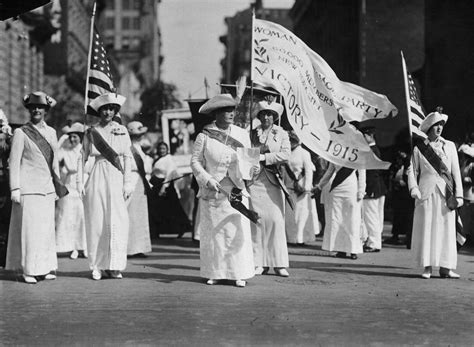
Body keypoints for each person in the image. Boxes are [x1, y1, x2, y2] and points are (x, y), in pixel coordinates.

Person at [191, 93, 257, 287]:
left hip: (236, 189)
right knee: (215, 234)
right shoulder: (204, 135)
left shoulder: (242, 133)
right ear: (216, 113)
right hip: (213, 190)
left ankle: (238, 273)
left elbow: (250, 162)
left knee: (236, 232)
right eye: (226, 110)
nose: (230, 114)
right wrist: (207, 179)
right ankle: (215, 272)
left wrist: (253, 169)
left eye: (232, 110)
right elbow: (195, 161)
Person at [5, 91, 65, 284]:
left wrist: (56, 186)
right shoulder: (21, 133)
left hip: (47, 189)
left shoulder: (52, 132)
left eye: (40, 107)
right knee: (30, 231)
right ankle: (29, 270)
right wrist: (15, 188)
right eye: (33, 107)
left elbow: (54, 162)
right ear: (29, 110)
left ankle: (44, 267)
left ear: (46, 110)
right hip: (28, 188)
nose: (36, 110)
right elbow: (14, 162)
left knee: (46, 230)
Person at [79, 92, 133, 280]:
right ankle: (97, 265)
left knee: (118, 222)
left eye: (111, 109)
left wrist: (127, 183)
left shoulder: (122, 130)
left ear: (115, 111)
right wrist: (80, 182)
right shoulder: (91, 131)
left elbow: (127, 157)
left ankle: (114, 265)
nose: (108, 112)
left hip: (116, 176)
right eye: (104, 109)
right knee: (97, 220)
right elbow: (82, 158)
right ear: (99, 111)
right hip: (98, 174)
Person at [407, 108, 463, 279]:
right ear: (429, 128)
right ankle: (427, 267)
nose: (439, 128)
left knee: (445, 230)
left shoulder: (450, 146)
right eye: (436, 125)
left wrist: (459, 195)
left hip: (447, 193)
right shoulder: (419, 148)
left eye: (441, 125)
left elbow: (456, 172)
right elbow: (411, 170)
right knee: (428, 229)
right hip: (426, 193)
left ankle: (446, 267)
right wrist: (413, 188)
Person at [249, 100, 291, 277]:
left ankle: (279, 263)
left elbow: (286, 154)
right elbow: (245, 153)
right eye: (263, 114)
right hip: (255, 181)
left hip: (273, 180)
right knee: (257, 221)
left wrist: (265, 157)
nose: (266, 117)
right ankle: (259, 262)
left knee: (275, 220)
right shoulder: (252, 133)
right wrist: (252, 162)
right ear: (259, 116)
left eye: (270, 114)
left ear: (274, 117)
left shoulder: (281, 133)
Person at [318, 163, 366, 260]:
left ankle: (354, 250)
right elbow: (329, 172)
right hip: (336, 189)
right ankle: (340, 249)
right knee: (337, 219)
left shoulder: (358, 152)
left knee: (352, 220)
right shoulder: (337, 151)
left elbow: (362, 174)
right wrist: (320, 185)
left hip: (351, 189)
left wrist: (361, 191)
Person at [55, 122, 87, 259]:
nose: (72, 140)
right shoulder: (65, 152)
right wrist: (63, 138)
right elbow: (55, 156)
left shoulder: (86, 151)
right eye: (70, 137)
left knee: (82, 216)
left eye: (75, 137)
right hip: (69, 185)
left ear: (80, 137)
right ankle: (71, 247)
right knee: (68, 215)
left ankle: (83, 246)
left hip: (82, 183)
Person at [283, 130, 319, 245]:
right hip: (289, 186)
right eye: (290, 140)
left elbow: (309, 170)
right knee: (290, 214)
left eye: (293, 140)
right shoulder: (286, 152)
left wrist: (307, 187)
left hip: (302, 187)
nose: (291, 142)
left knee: (301, 214)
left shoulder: (304, 153)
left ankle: (300, 238)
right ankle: (290, 238)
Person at [149, 141, 190, 239]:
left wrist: (164, 188)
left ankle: (182, 227)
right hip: (156, 185)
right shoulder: (158, 159)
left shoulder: (169, 159)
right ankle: (158, 230)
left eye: (163, 149)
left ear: (167, 150)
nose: (161, 151)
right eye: (160, 149)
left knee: (172, 209)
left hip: (165, 186)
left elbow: (169, 174)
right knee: (158, 210)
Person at [126, 121, 152, 258]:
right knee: (131, 214)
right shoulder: (128, 148)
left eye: (141, 134)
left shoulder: (140, 148)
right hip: (131, 180)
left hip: (141, 181)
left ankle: (139, 247)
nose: (140, 136)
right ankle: (129, 248)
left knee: (140, 215)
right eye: (137, 134)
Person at [360, 127, 387, 253]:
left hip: (372, 187)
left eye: (364, 136)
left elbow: (373, 172)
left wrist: (368, 189)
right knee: (375, 216)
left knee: (371, 217)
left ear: (370, 136)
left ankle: (374, 243)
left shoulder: (372, 151)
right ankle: (373, 241)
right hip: (377, 188)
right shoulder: (373, 150)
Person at [386, 151, 414, 248]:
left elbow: (408, 176)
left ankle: (409, 239)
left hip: (407, 194)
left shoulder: (409, 161)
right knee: (399, 215)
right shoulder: (401, 163)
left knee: (409, 217)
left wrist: (404, 181)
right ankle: (398, 236)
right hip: (400, 194)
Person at [458, 132, 474, 241]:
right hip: (463, 192)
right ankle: (464, 235)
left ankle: (468, 236)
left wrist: (469, 180)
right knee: (464, 216)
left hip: (470, 193)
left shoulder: (472, 166)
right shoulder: (463, 164)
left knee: (468, 216)